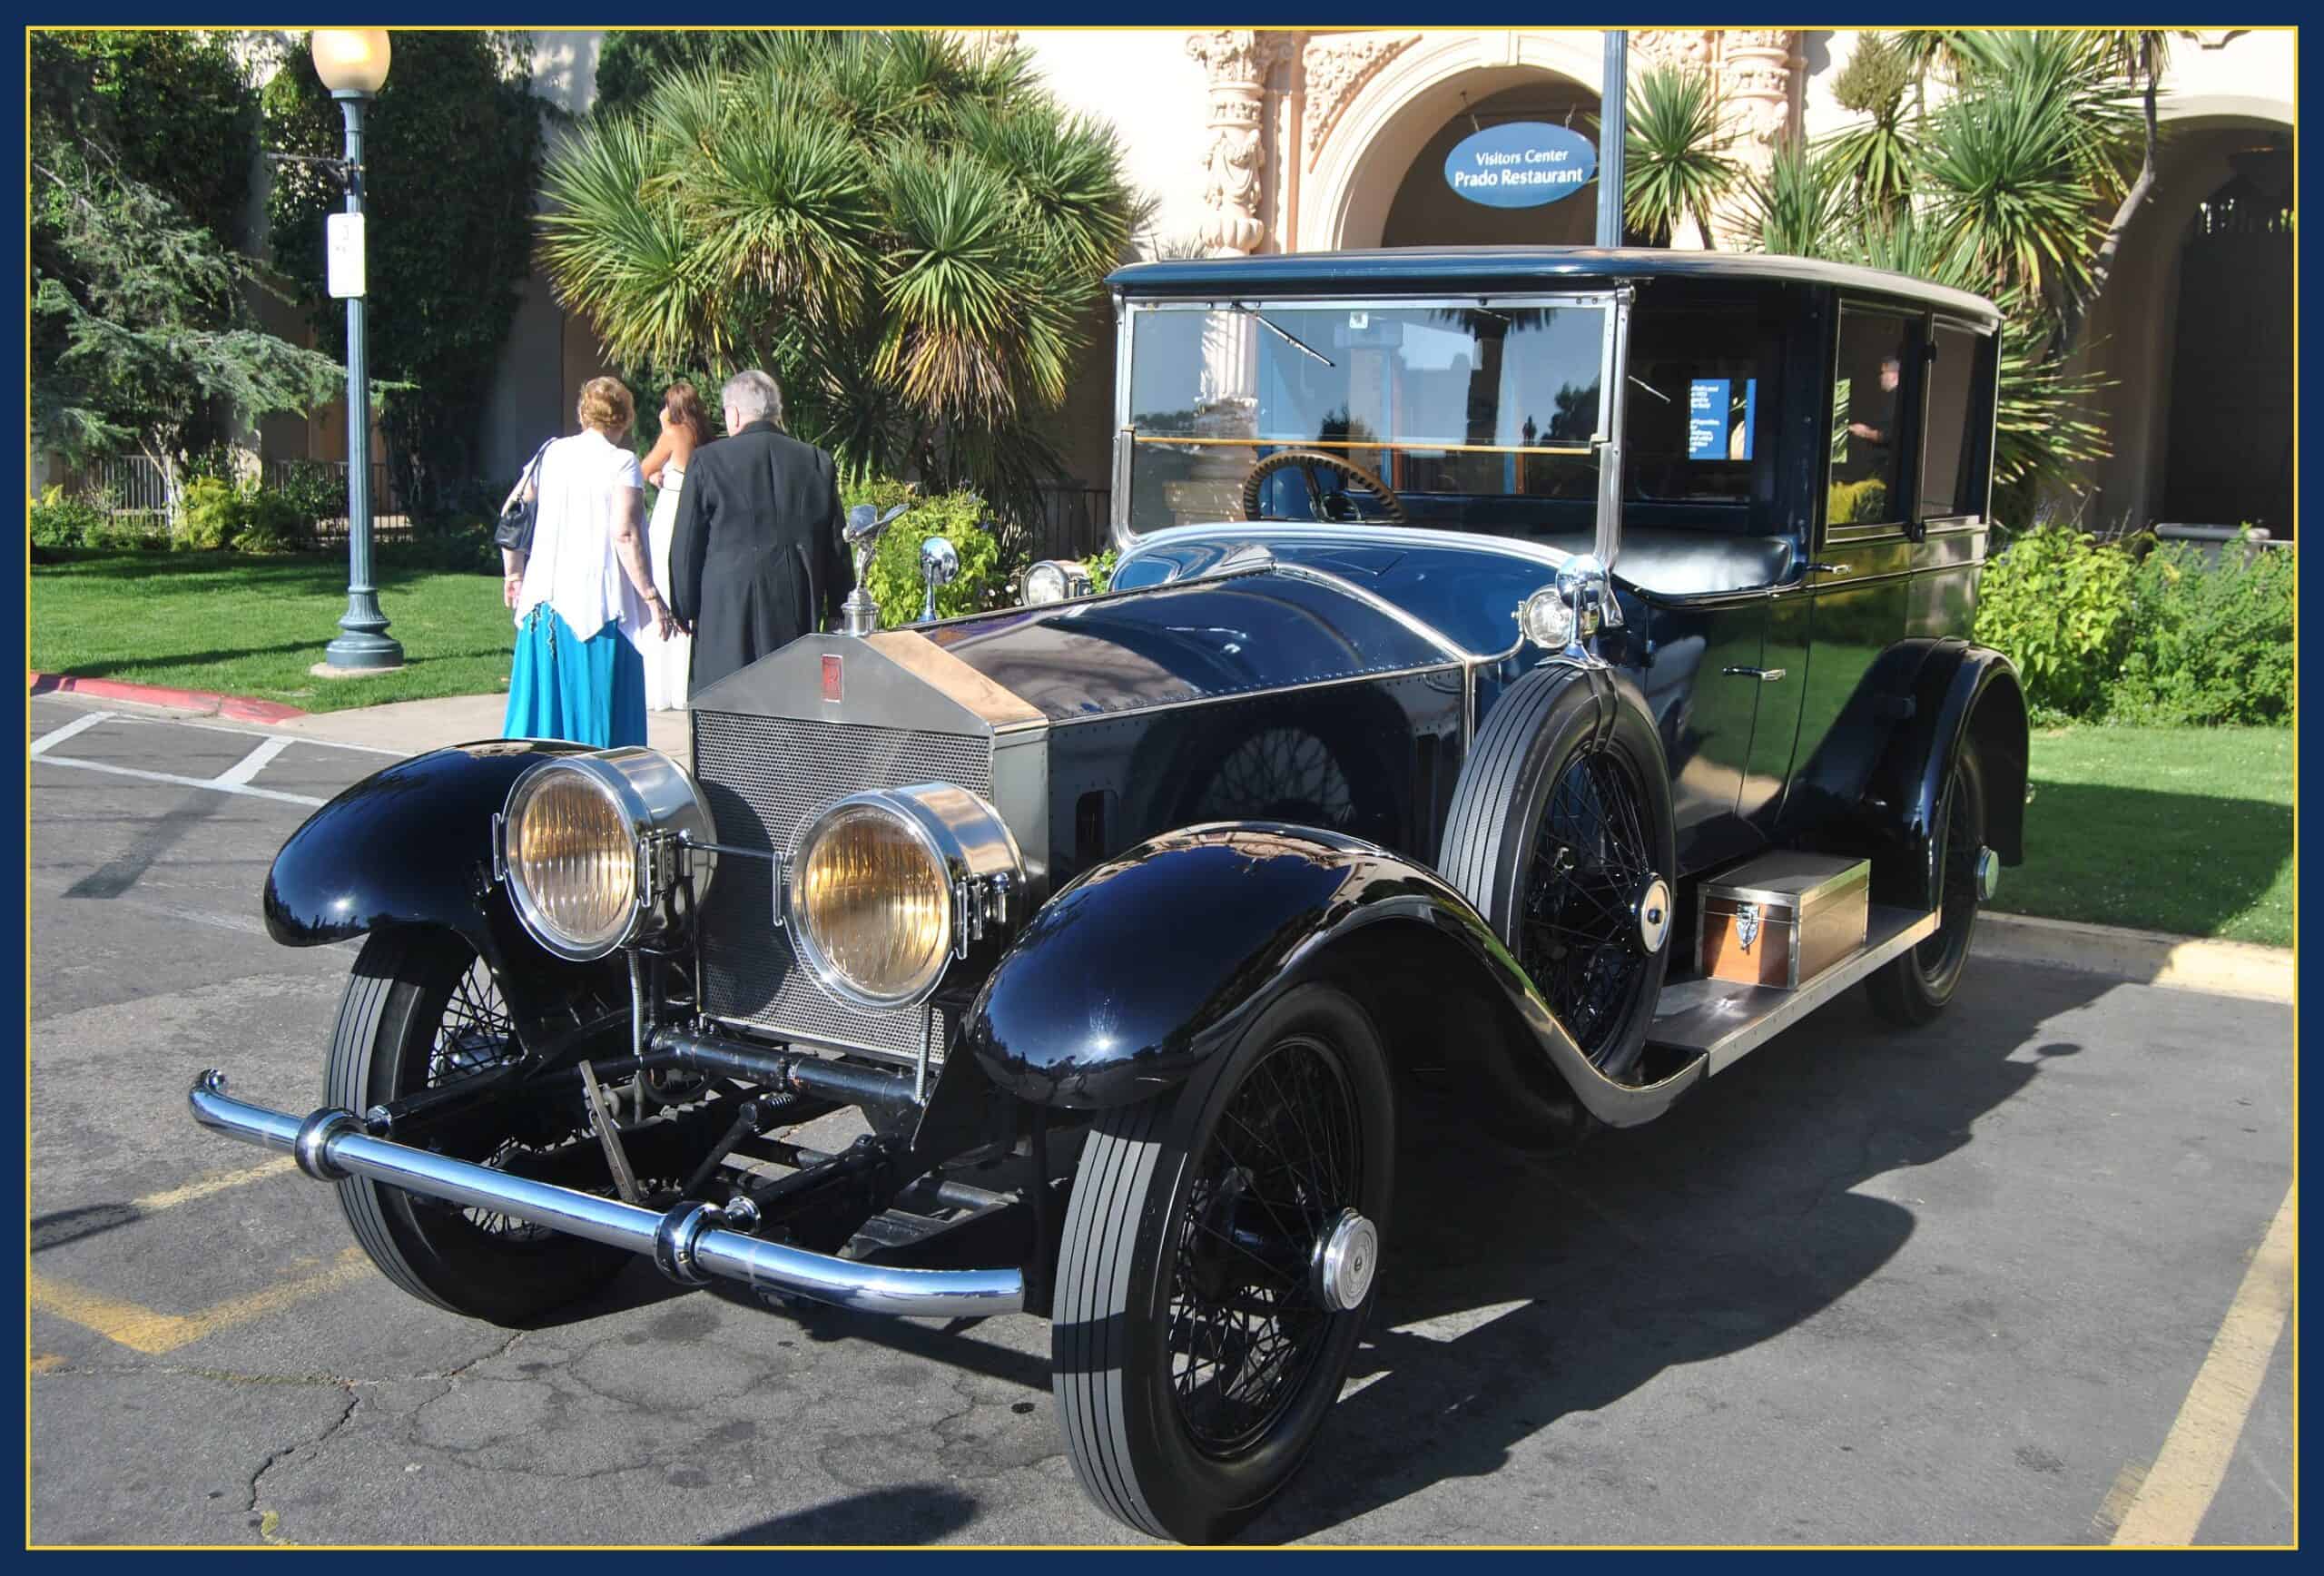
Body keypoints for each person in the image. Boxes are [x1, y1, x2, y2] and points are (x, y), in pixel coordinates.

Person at [499, 377, 677, 747]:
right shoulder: (621, 462)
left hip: (543, 608)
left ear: (583, 413)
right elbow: (625, 533)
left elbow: (512, 512)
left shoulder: (549, 454)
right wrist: (650, 596)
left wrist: (513, 573)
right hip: (596, 612)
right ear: (625, 419)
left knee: (537, 731)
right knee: (596, 733)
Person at [668, 369, 852, 695]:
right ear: (775, 411)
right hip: (795, 609)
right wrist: (839, 607)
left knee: (725, 711)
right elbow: (835, 543)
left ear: (734, 413)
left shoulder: (708, 461)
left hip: (726, 611)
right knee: (789, 708)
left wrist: (684, 607)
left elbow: (686, 547)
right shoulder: (815, 461)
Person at [639, 381, 709, 711]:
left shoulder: (673, 434)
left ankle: (663, 686)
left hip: (670, 513)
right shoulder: (706, 435)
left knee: (665, 585)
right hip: (695, 514)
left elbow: (644, 468)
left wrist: (663, 427)